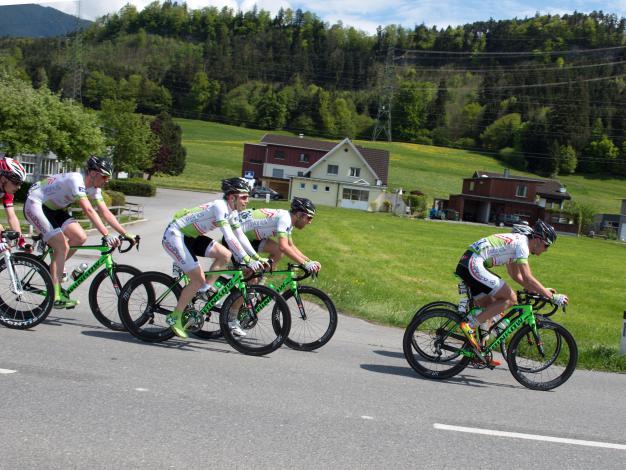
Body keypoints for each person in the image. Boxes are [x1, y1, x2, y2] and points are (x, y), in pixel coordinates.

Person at [163, 177, 268, 339]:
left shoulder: (232, 212)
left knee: (225, 255)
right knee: (197, 279)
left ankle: (204, 289)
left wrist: (256, 257)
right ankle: (175, 316)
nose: (247, 201)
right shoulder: (220, 207)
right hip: (175, 235)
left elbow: (239, 235)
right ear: (232, 197)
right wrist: (247, 260)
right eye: (244, 197)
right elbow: (229, 237)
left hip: (191, 237)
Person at [24, 157, 135, 309]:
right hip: (36, 204)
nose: (107, 180)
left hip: (54, 209)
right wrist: (106, 235)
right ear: (93, 173)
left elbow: (105, 212)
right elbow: (88, 210)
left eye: (108, 177)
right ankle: (55, 296)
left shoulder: (95, 188)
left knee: (80, 237)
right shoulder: (76, 180)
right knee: (62, 247)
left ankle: (54, 270)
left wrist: (125, 233)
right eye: (105, 176)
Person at [455, 220, 568, 364]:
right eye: (547, 246)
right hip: (473, 263)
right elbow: (527, 277)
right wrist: (551, 296)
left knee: (490, 307)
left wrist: (542, 290)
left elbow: (517, 276)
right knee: (511, 298)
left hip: (469, 262)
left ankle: (478, 352)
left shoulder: (517, 244)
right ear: (539, 240)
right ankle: (470, 326)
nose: (546, 250)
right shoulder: (522, 244)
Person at [238, 197, 321, 274]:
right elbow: (283, 247)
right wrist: (305, 264)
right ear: (299, 214)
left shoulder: (289, 220)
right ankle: (247, 278)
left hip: (250, 237)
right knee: (249, 275)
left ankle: (259, 283)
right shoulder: (285, 219)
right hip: (238, 236)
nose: (310, 222)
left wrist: (309, 261)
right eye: (309, 218)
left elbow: (290, 246)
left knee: (278, 252)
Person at [0, 157, 27, 251]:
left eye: (20, 183)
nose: (19, 187)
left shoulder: (6, 191)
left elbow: (12, 216)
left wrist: (20, 239)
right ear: (3, 179)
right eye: (16, 183)